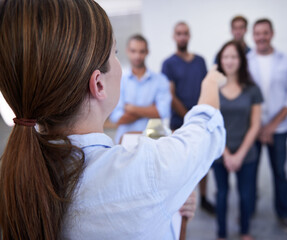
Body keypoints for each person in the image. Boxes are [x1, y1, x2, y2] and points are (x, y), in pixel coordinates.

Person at [0, 0, 227, 239]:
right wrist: (211, 81)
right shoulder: (146, 172)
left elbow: (159, 114)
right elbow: (206, 127)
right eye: (115, 53)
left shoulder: (17, 174)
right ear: (98, 84)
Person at [247, 18, 287, 233]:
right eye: (257, 33)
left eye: (265, 32)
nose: (261, 37)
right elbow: (244, 95)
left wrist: (269, 127)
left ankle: (284, 213)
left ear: (272, 33)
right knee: (250, 172)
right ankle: (248, 211)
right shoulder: (246, 60)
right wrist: (258, 126)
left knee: (280, 172)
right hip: (253, 128)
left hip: (278, 129)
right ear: (253, 36)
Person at [161, 21, 215, 214]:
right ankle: (182, 202)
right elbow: (171, 95)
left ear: (189, 36)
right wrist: (189, 117)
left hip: (201, 121)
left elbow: (206, 88)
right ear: (174, 37)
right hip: (180, 122)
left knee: (203, 161)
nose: (182, 37)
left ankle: (204, 197)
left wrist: (201, 115)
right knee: (182, 163)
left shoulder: (200, 61)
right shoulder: (168, 64)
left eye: (185, 33)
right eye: (179, 33)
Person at [213, 41, 262, 240]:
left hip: (246, 152)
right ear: (220, 60)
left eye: (234, 56)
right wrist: (226, 154)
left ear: (241, 60)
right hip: (219, 152)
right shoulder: (213, 88)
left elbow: (256, 125)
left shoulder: (252, 89)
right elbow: (212, 125)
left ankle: (245, 232)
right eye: (226, 57)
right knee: (222, 195)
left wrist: (239, 155)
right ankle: (222, 234)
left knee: (245, 195)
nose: (230, 61)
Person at [109, 34, 172, 144]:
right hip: (124, 143)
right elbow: (117, 118)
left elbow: (162, 112)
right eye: (133, 51)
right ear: (127, 51)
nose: (137, 56)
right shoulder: (119, 80)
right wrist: (150, 110)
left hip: (153, 141)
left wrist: (131, 108)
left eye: (141, 51)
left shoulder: (160, 80)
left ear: (147, 52)